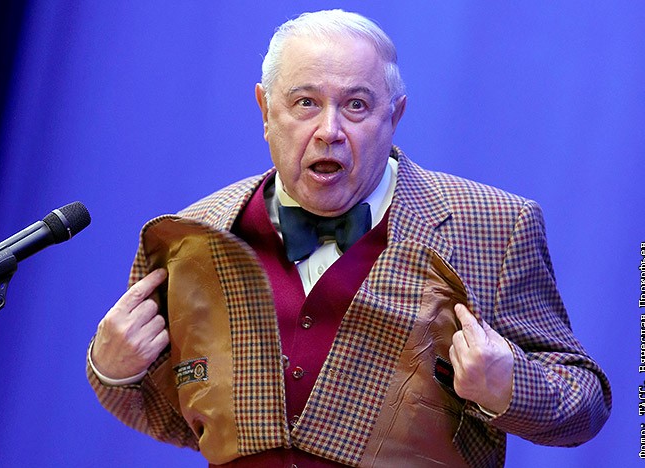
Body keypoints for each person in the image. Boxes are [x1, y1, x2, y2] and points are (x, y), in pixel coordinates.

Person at [87, 9, 611, 467]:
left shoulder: (492, 225)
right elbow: (180, 415)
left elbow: (584, 403)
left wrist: (509, 387)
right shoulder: (192, 237)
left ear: (394, 115)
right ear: (265, 111)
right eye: (305, 103)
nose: (330, 130)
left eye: (356, 105)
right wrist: (112, 373)